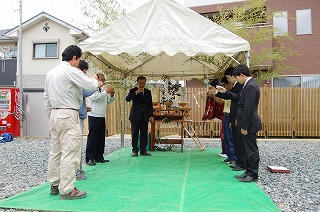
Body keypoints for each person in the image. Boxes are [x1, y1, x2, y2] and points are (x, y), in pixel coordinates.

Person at [44, 45, 103, 200]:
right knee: (70, 152)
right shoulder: (71, 70)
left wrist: (51, 114)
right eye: (79, 59)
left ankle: (54, 185)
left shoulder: (51, 73)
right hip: (68, 113)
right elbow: (89, 85)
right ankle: (68, 189)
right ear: (75, 58)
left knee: (55, 152)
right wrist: (97, 81)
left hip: (54, 114)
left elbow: (46, 97)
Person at [234, 64, 262, 182]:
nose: (237, 80)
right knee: (247, 149)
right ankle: (248, 171)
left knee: (251, 149)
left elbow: (249, 108)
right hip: (246, 122)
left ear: (242, 75)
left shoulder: (250, 86)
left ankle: (253, 174)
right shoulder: (248, 85)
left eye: (237, 77)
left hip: (250, 123)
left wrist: (244, 125)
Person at [216, 67, 246, 172]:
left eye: (229, 78)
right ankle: (237, 160)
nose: (229, 80)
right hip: (231, 115)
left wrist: (237, 118)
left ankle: (239, 161)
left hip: (235, 116)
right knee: (231, 139)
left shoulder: (241, 86)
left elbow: (236, 99)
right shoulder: (237, 86)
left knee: (235, 140)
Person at [86, 73, 115, 166]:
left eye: (104, 80)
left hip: (102, 115)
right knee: (93, 138)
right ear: (96, 80)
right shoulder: (91, 89)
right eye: (101, 79)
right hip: (94, 115)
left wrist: (111, 95)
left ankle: (99, 157)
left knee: (101, 138)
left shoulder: (103, 90)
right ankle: (90, 158)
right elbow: (95, 98)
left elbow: (108, 101)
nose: (103, 81)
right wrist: (106, 92)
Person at [76, 60, 98, 180]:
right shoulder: (75, 76)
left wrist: (83, 107)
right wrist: (95, 83)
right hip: (75, 116)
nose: (84, 75)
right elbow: (85, 92)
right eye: (84, 72)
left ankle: (76, 171)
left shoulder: (55, 74)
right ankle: (77, 172)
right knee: (76, 146)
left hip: (75, 113)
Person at [126, 76, 154, 157]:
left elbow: (150, 104)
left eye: (143, 83)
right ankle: (135, 150)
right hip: (135, 116)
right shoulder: (133, 90)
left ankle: (143, 150)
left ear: (145, 83)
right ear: (137, 83)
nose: (142, 85)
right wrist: (136, 92)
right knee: (134, 133)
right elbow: (127, 99)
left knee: (144, 133)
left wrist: (151, 115)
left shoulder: (148, 92)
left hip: (145, 116)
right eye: (140, 83)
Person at [219, 76, 237, 164]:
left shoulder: (233, 93)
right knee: (226, 137)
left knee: (230, 138)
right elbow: (220, 100)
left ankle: (234, 158)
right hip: (226, 115)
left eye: (224, 85)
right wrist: (214, 93)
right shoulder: (227, 93)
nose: (224, 87)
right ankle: (229, 156)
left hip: (230, 115)